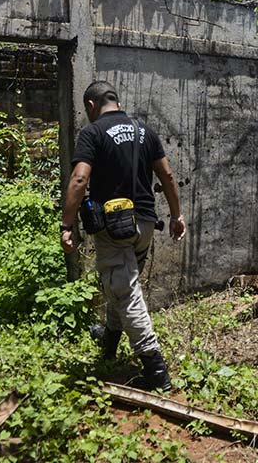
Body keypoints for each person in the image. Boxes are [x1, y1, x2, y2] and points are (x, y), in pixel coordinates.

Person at [60, 80, 186, 392]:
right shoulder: (145, 131)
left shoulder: (93, 133)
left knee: (125, 292)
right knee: (120, 285)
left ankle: (156, 370)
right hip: (144, 226)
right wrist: (176, 215)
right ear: (115, 100)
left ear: (91, 106)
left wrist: (67, 224)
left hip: (114, 228)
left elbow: (79, 178)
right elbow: (167, 175)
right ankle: (109, 340)